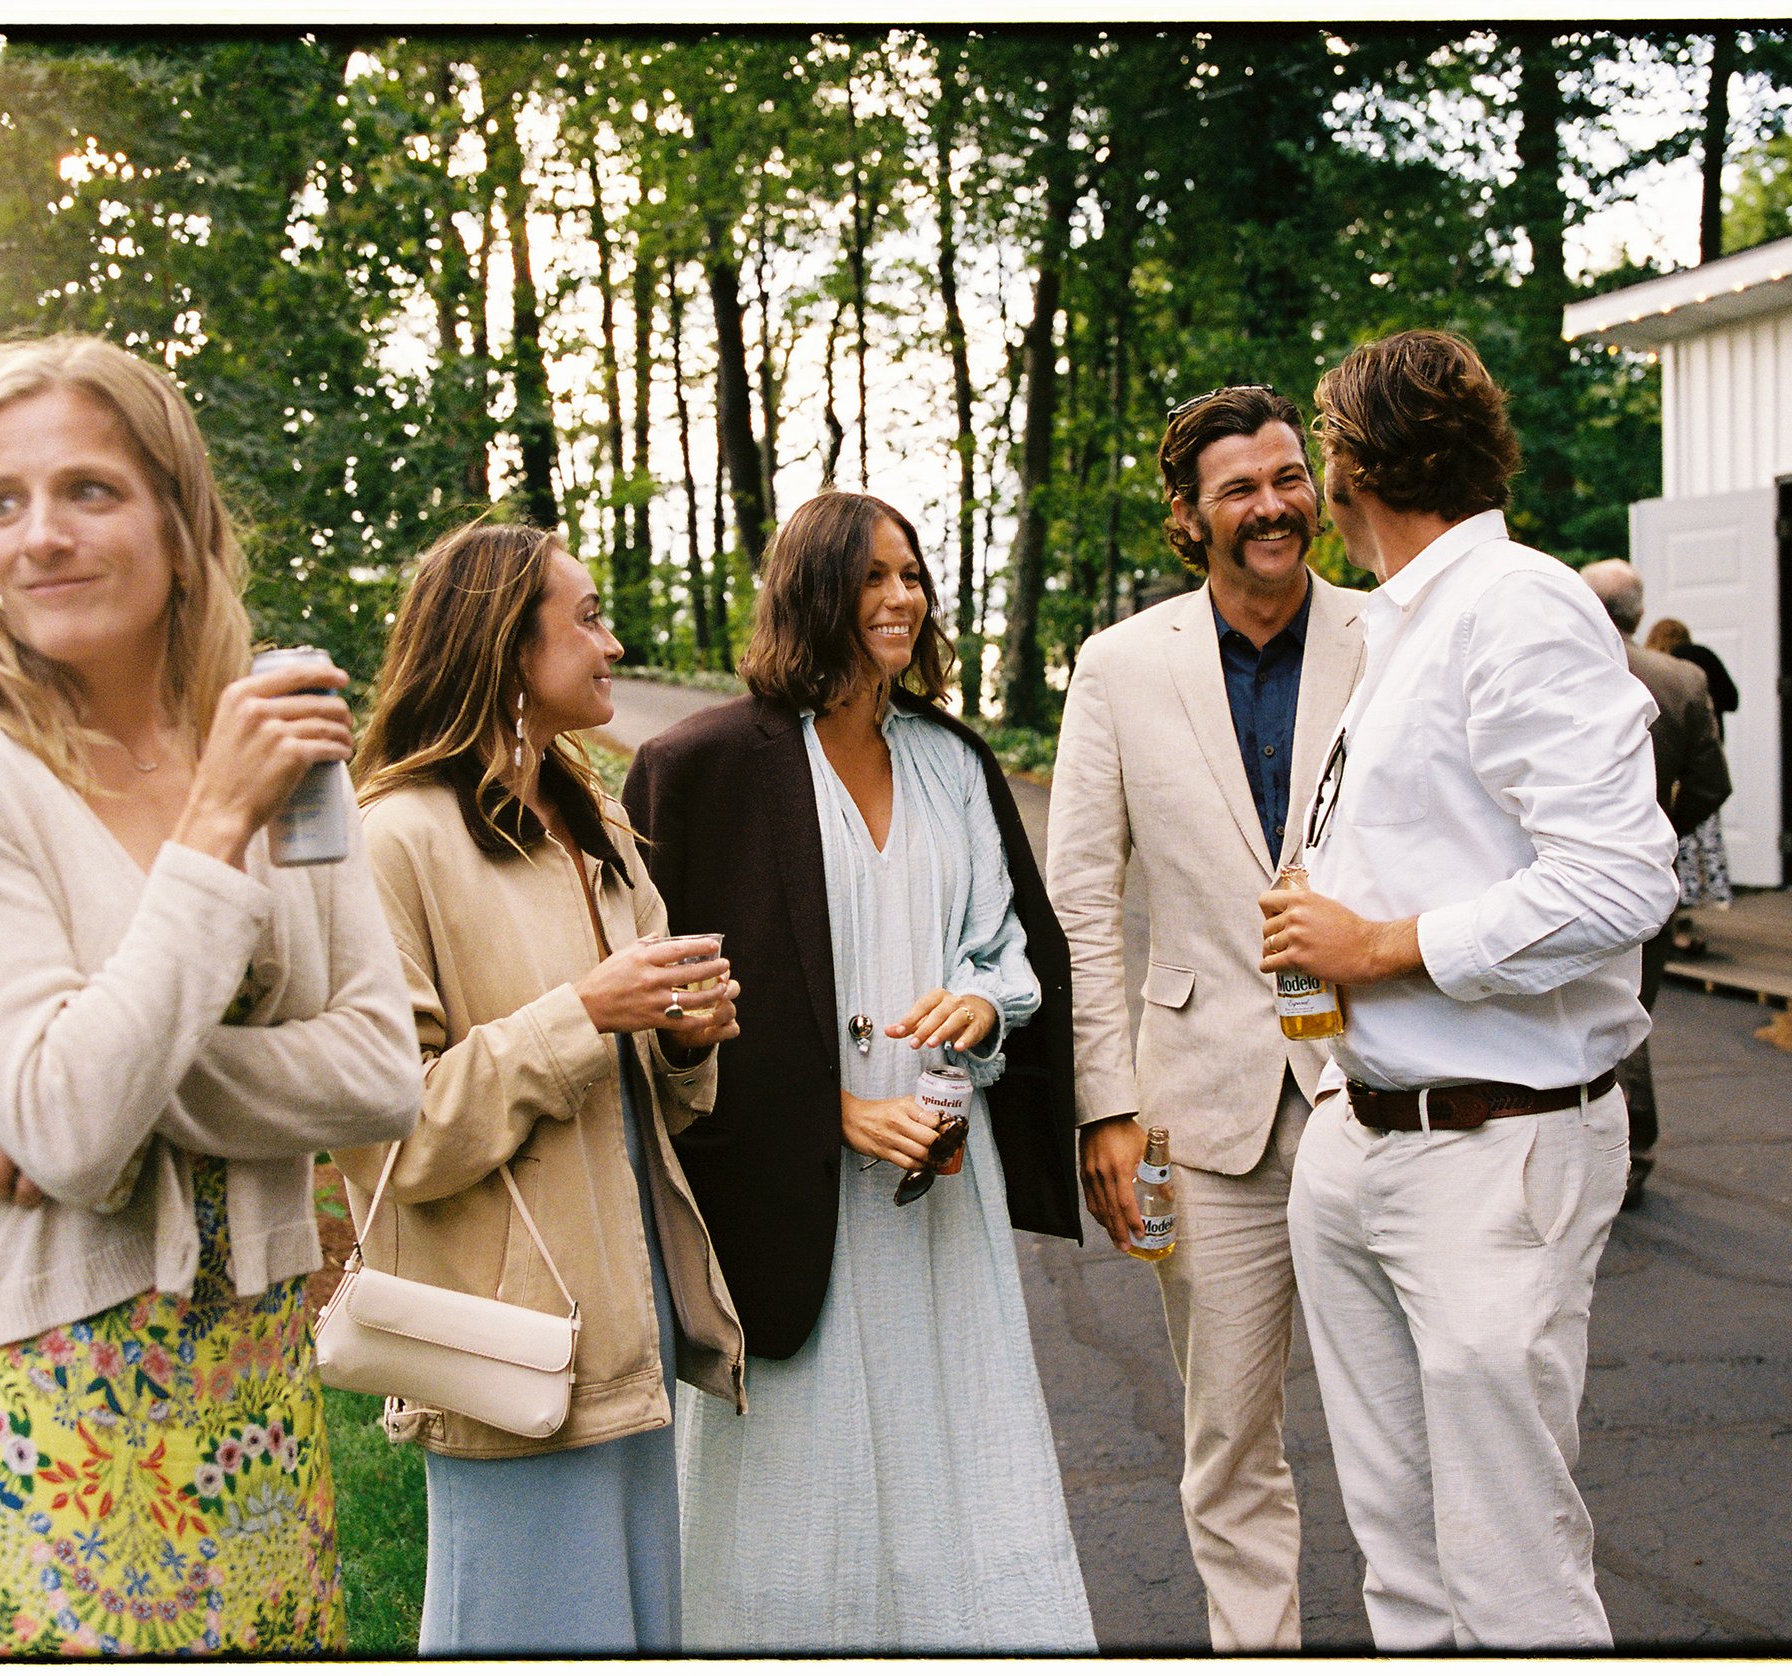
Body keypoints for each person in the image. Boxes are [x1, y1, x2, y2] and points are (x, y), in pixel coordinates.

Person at [0, 334, 425, 1655]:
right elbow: (66, 1116)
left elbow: (381, 1072)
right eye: (3, 504)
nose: (39, 536)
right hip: (44, 1388)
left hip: (257, 1397)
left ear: (182, 522)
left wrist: (84, 1089)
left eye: (89, 491)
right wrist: (214, 831)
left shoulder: (277, 743)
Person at [1260, 330, 1676, 1649]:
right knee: (1405, 1572)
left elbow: (1621, 882)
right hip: (1361, 1133)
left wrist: (1375, 946)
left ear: (1354, 467)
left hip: (1499, 1147)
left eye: (1324, 452)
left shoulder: (1517, 602)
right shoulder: (1403, 626)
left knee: (1513, 1581)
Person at [623, 491, 1095, 1653]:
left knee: (959, 1442)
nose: (899, 598)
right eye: (870, 576)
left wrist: (984, 1002)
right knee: (791, 1471)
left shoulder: (951, 760)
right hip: (784, 1195)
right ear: (810, 589)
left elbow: (1009, 944)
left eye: (912, 574)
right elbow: (658, 1003)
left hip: (939, 1188)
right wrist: (826, 1108)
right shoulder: (703, 765)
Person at [335, 519, 748, 1655]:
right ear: (507, 647)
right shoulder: (393, 841)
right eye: (588, 617)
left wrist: (682, 1034)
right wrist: (586, 1011)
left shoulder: (595, 820)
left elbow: (659, 1096)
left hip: (631, 1316)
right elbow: (393, 1135)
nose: (613, 643)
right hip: (509, 1336)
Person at [1045, 384, 1365, 1649]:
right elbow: (1078, 896)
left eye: (1288, 476)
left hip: (1384, 1083)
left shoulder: (1390, 636)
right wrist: (1104, 1106)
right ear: (1190, 516)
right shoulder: (1120, 665)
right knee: (1230, 1432)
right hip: (1196, 1111)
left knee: (1423, 1407)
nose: (1274, 505)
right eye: (1241, 487)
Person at [1584, 563, 1732, 1210]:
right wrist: (1664, 830)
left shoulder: (1558, 669)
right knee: (1630, 1007)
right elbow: (1712, 785)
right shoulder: (1682, 680)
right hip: (1648, 873)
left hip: (1557, 863)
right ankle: (1630, 1156)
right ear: (1639, 615)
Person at [1642, 617, 1737, 947]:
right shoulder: (1699, 665)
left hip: (1666, 770)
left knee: (1669, 849)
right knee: (1695, 842)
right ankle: (1683, 915)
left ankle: (1671, 921)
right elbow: (1733, 699)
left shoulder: (1651, 673)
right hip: (1699, 764)